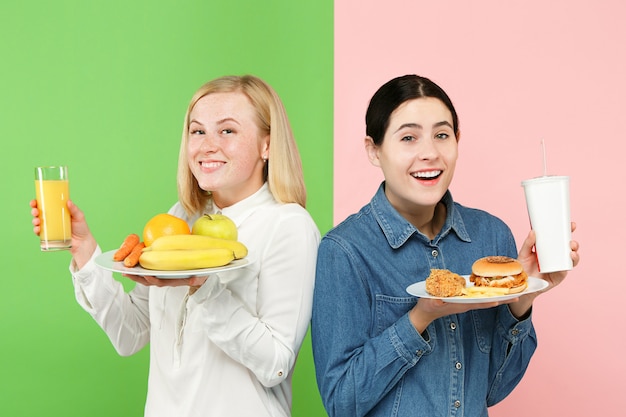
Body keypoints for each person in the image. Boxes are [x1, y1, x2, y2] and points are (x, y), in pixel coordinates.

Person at [30, 75, 320, 417]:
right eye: (197, 131)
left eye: (227, 131)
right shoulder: (180, 217)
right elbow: (130, 334)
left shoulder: (289, 226)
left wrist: (205, 288)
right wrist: (84, 251)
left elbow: (276, 364)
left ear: (266, 145)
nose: (207, 145)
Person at [311, 74, 580, 417]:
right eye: (408, 137)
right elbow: (341, 403)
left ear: (457, 141)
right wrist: (420, 318)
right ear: (373, 150)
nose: (430, 153)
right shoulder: (344, 251)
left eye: (442, 135)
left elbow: (494, 390)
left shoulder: (490, 235)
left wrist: (521, 297)